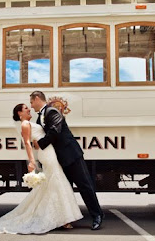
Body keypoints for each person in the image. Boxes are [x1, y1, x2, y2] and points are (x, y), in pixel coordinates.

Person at [0, 104, 83, 234]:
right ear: (20, 113)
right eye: (26, 108)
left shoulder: (30, 123)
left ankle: (61, 217)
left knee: (53, 183)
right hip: (47, 154)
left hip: (49, 152)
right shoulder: (24, 124)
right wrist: (31, 161)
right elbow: (27, 143)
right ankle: (63, 218)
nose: (29, 109)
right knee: (56, 181)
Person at [30, 90, 104, 230]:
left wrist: (41, 144)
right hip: (58, 158)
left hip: (71, 155)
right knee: (65, 189)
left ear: (38, 98)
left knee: (84, 186)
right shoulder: (40, 117)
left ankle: (97, 216)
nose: (32, 106)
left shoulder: (52, 112)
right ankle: (65, 218)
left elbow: (54, 131)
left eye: (32, 102)